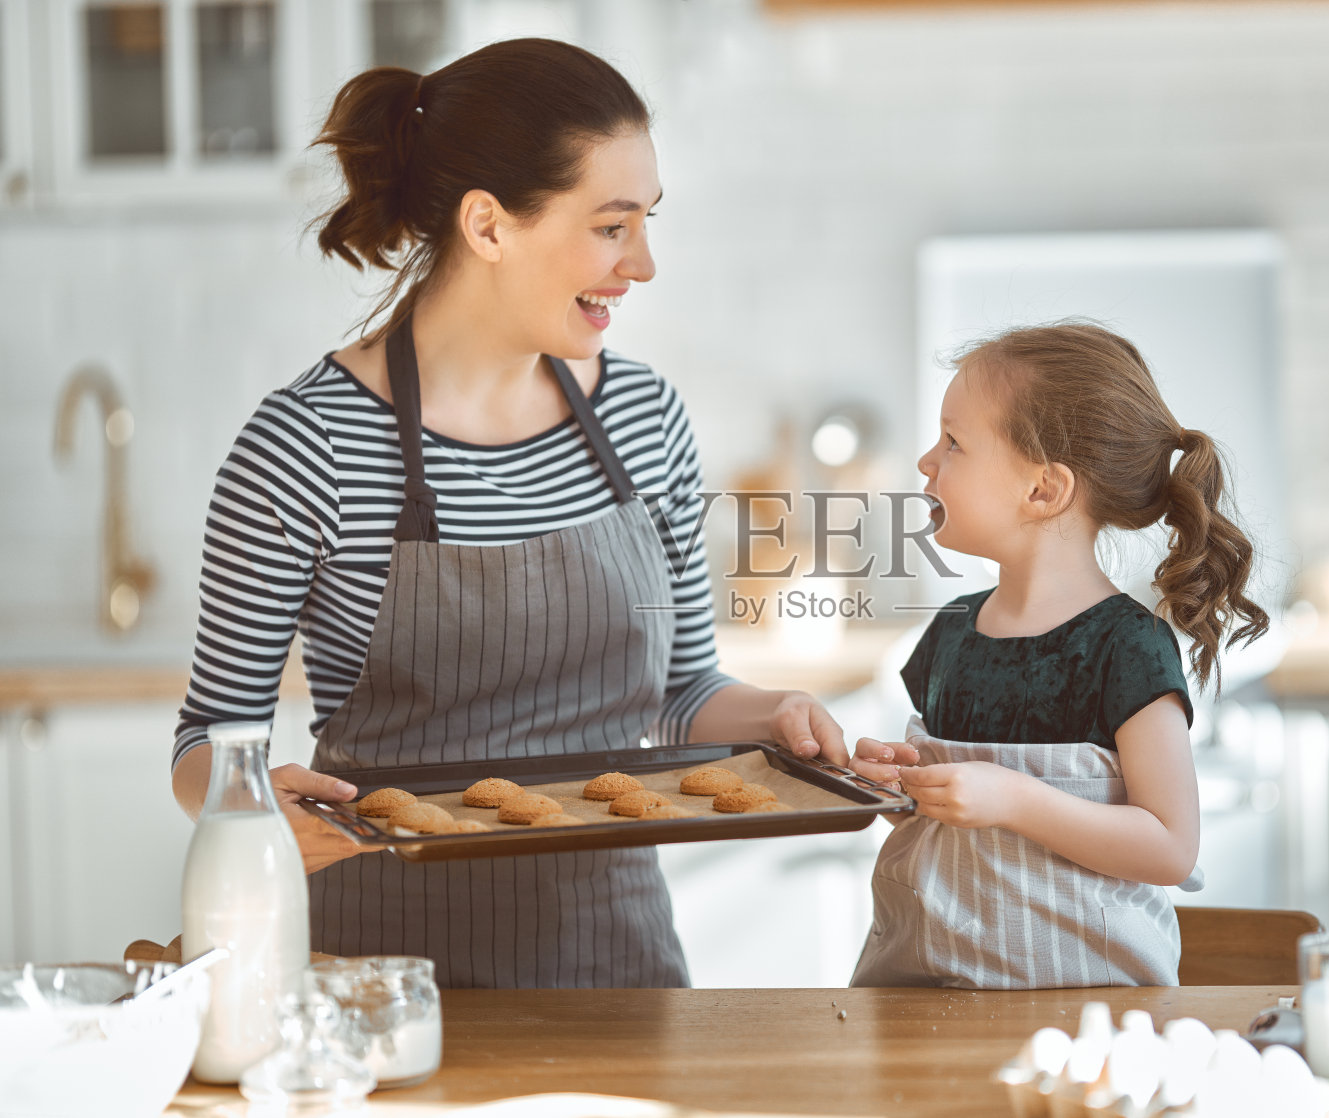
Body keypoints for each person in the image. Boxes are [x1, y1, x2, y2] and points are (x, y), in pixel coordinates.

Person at [169, 38, 847, 989]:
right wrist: (248, 804)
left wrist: (771, 713)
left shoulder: (643, 417)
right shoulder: (304, 447)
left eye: (647, 222)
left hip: (618, 966)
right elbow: (209, 738)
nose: (643, 263)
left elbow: (683, 689)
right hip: (381, 982)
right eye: (613, 227)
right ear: (488, 226)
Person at [848, 322, 1268, 989]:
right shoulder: (950, 633)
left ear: (1044, 490)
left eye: (954, 442)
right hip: (926, 1006)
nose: (928, 460)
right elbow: (949, 830)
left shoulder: (1124, 647)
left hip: (1089, 1022)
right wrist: (900, 785)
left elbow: (1169, 845)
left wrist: (1015, 800)